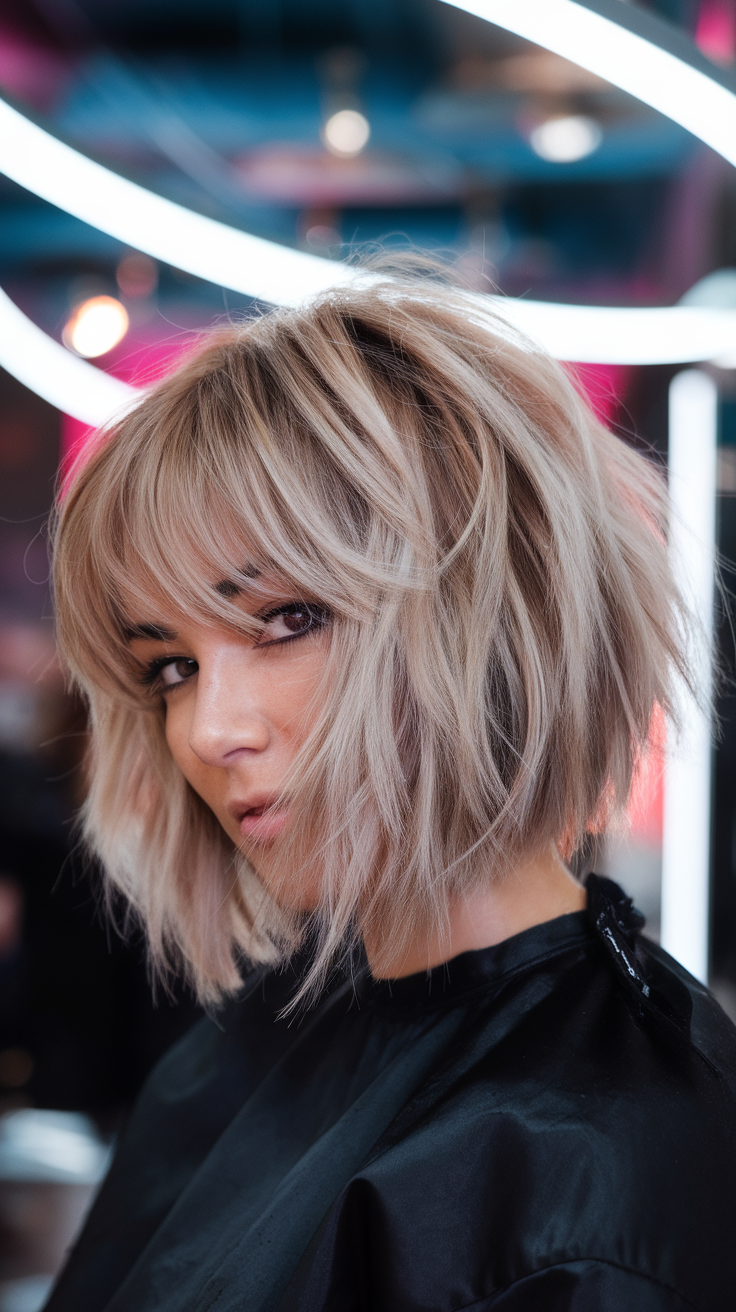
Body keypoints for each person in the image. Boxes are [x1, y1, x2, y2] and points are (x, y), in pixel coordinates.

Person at [46, 271, 736, 1312]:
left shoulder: (589, 1180)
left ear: (494, 613)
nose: (211, 730)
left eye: (286, 620)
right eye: (170, 665)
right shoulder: (245, 1048)